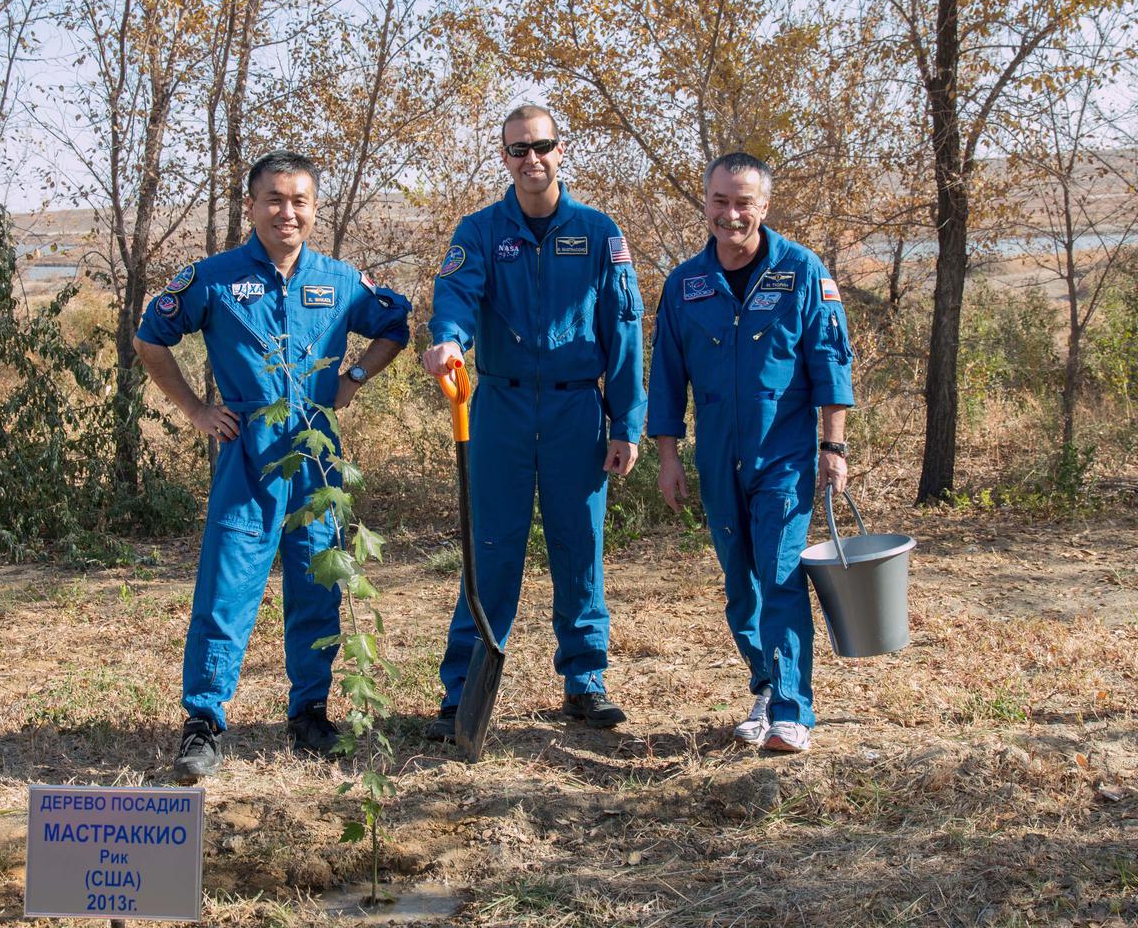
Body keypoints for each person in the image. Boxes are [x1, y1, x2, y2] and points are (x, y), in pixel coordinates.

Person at [133, 150, 411, 780]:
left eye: (300, 201)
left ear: (314, 209)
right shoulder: (215, 277)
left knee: (317, 586)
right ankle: (204, 722)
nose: (288, 212)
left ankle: (309, 712)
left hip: (316, 457)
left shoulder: (339, 280)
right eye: (274, 200)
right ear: (251, 205)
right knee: (227, 590)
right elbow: (152, 339)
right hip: (248, 455)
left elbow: (398, 323)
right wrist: (197, 410)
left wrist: (356, 376)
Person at [420, 105, 646, 739]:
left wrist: (626, 422)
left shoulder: (601, 235)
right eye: (518, 150)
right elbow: (456, 298)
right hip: (501, 406)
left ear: (560, 150)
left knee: (580, 548)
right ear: (505, 158)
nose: (531, 159)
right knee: (490, 548)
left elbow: (624, 332)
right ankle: (463, 691)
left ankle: (584, 680)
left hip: (578, 409)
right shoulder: (482, 230)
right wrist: (449, 341)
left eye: (541, 146)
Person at [647, 152, 854, 754]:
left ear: (763, 206)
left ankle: (792, 709)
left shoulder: (802, 272)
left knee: (782, 573)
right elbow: (665, 379)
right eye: (720, 201)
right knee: (740, 581)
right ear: (705, 203)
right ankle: (764, 684)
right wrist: (668, 457)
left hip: (783, 455)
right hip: (718, 456)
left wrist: (832, 447)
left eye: (743, 202)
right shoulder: (686, 284)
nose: (730, 214)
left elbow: (830, 365)